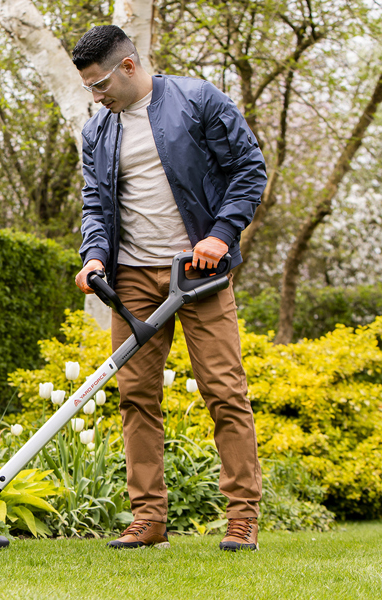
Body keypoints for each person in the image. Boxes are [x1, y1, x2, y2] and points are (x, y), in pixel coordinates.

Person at [71, 25, 267, 551]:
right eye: (89, 88)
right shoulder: (98, 131)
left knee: (224, 391)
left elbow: (249, 169)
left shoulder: (198, 100)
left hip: (198, 274)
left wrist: (221, 236)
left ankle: (242, 517)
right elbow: (95, 204)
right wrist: (94, 256)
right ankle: (149, 518)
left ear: (129, 66)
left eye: (100, 83)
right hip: (132, 277)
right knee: (135, 396)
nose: (96, 95)